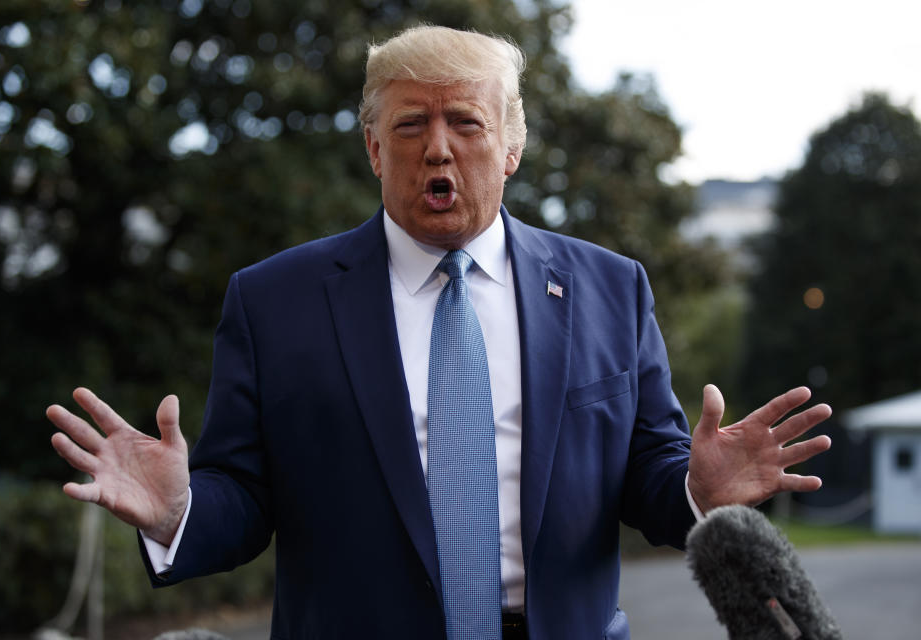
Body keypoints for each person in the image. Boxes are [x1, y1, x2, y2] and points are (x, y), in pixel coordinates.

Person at [47, 25, 832, 640]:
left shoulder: (608, 289)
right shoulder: (274, 301)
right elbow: (245, 497)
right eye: (411, 123)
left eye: (465, 121)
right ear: (373, 147)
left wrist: (698, 490)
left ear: (512, 148)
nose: (438, 146)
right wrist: (176, 511)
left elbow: (646, 474)